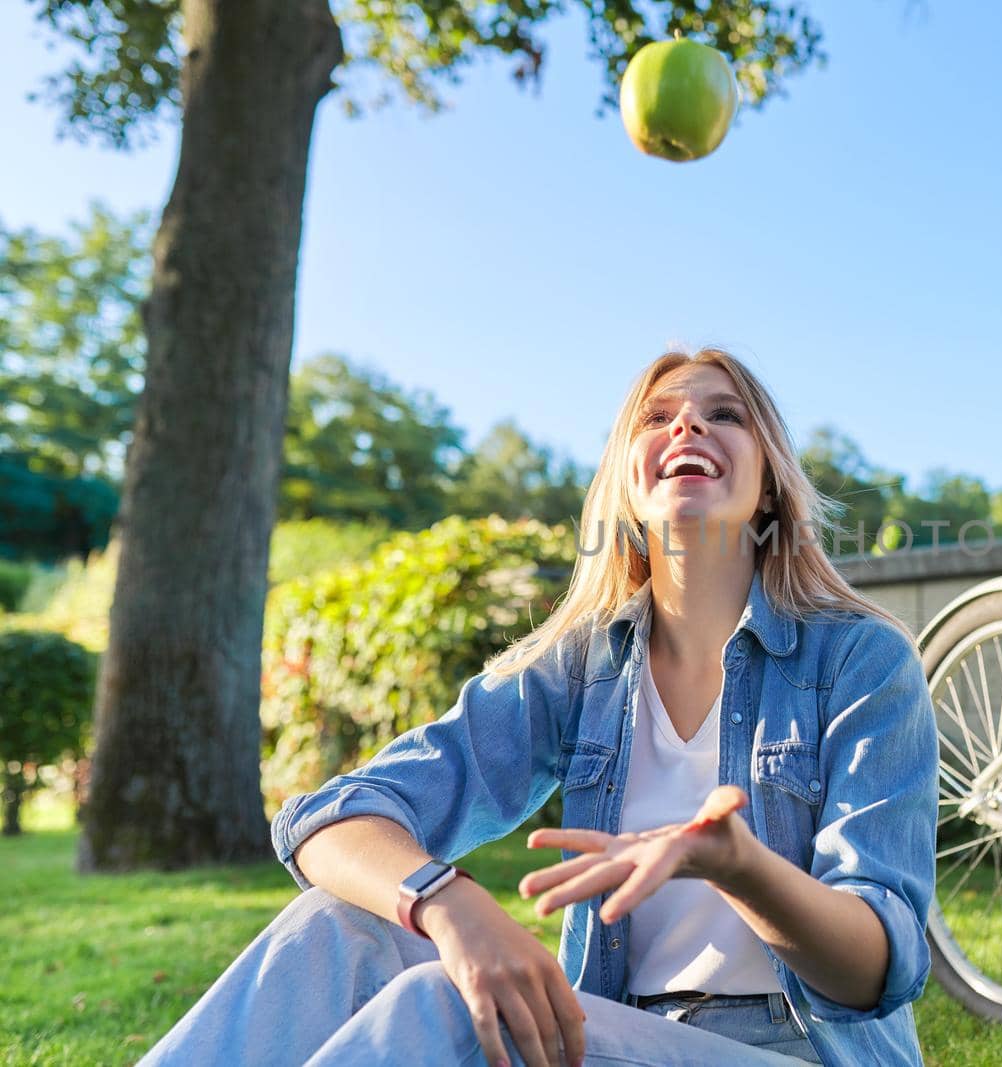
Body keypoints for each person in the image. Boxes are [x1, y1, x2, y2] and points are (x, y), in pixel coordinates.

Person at [138, 347, 939, 1067]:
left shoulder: (861, 660)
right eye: (657, 416)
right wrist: (447, 903)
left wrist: (740, 867)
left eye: (723, 413)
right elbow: (331, 819)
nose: (688, 421)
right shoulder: (579, 669)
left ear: (768, 486)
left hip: (800, 1050)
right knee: (332, 927)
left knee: (440, 1007)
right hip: (615, 1031)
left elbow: (879, 966)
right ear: (628, 484)